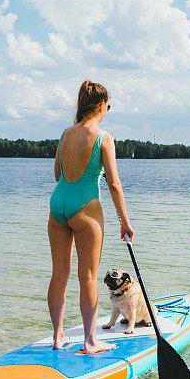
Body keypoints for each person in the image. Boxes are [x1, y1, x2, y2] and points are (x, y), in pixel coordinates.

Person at [47, 80, 134, 354]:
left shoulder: (65, 134)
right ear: (100, 105)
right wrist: (125, 220)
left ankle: (58, 337)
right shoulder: (103, 137)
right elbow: (114, 184)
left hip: (58, 203)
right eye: (108, 105)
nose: (108, 109)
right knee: (88, 278)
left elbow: (58, 175)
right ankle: (90, 341)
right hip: (85, 206)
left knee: (59, 275)